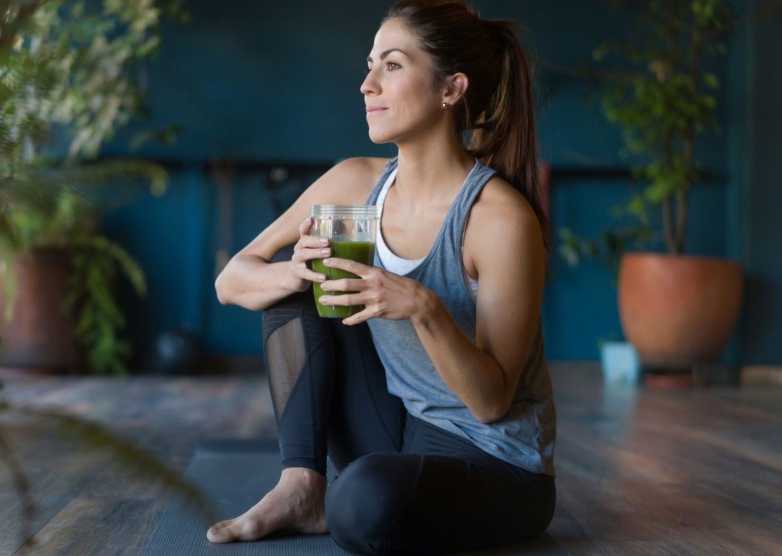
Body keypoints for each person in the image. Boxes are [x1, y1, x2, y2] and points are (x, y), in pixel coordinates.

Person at [209, 0, 556, 553]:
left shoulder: (498, 220)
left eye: (391, 65)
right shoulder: (353, 183)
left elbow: (492, 403)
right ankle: (301, 485)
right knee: (295, 296)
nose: (367, 84)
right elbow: (232, 280)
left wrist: (424, 308)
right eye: (370, 65)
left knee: (364, 502)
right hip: (400, 427)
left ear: (451, 88)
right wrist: (294, 274)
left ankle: (349, 496)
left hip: (495, 462)